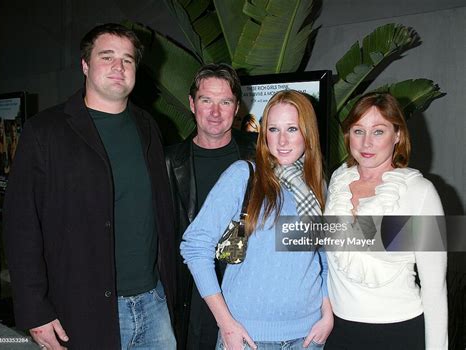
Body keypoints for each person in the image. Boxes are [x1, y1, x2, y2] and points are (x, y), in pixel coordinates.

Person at [3, 23, 176, 350]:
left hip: (153, 304)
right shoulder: (45, 131)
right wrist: (34, 310)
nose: (118, 67)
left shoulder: (149, 127)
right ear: (85, 65)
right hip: (84, 310)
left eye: (127, 60)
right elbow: (20, 225)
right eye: (107, 56)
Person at [181, 90, 333, 350]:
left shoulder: (316, 185)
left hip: (308, 337)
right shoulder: (243, 176)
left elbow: (324, 257)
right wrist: (226, 323)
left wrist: (327, 314)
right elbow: (195, 246)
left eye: (292, 129)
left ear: (308, 133)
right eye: (273, 129)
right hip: (249, 339)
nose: (282, 140)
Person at [323, 92, 448, 349]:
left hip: (399, 333)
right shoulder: (338, 180)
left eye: (378, 131)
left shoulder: (420, 192)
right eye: (358, 131)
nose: (366, 142)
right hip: (340, 332)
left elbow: (435, 289)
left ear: (398, 135)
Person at [165, 63, 256, 350]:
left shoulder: (262, 152)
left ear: (237, 107)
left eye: (225, 101)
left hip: (251, 288)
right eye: (206, 100)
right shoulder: (167, 162)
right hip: (195, 295)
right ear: (192, 104)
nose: (215, 112)